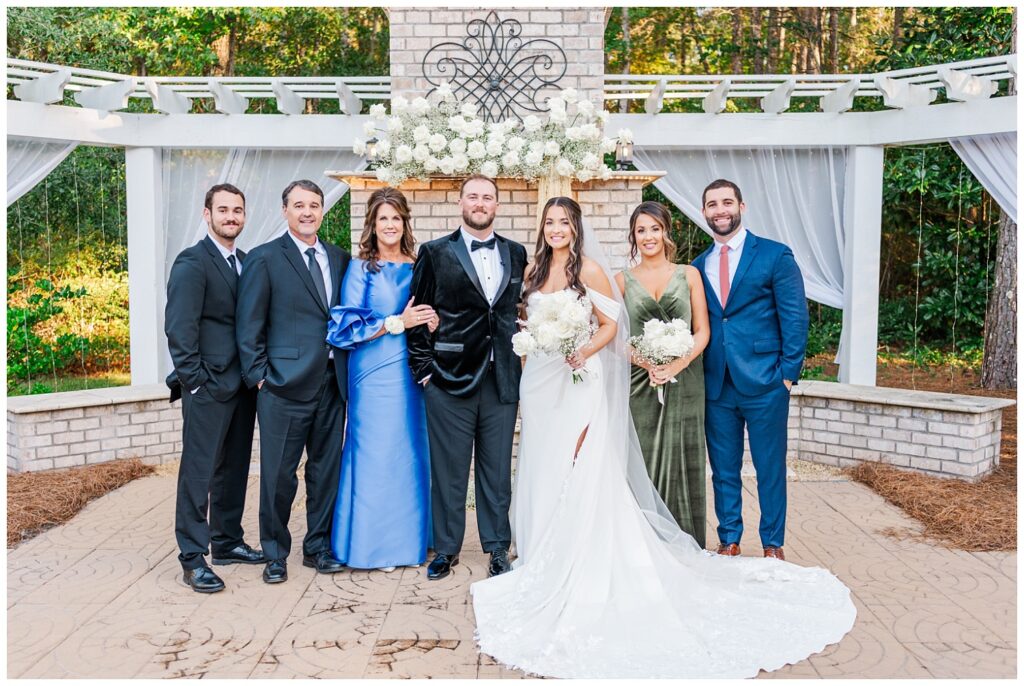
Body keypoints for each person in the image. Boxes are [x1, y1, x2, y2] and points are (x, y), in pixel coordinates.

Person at [470, 196, 855, 679]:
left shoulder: (591, 270)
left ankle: (589, 550)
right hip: (541, 380)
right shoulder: (531, 272)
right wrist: (534, 341)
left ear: (577, 226)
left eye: (564, 222)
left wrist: (582, 349)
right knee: (542, 461)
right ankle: (540, 546)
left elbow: (611, 326)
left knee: (584, 462)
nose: (556, 229)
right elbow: (525, 323)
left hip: (582, 376)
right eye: (549, 222)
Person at [407, 174, 528, 581]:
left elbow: (513, 312)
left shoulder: (516, 252)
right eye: (473, 196)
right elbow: (418, 316)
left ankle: (497, 549)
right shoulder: (434, 252)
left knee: (496, 472)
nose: (480, 203)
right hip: (448, 379)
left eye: (487, 197)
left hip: (502, 380)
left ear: (497, 204)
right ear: (461, 202)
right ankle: (446, 549)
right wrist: (424, 373)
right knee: (449, 470)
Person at [236, 179, 350, 584]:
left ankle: (317, 547)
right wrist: (260, 378)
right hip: (282, 388)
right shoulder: (266, 258)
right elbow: (249, 323)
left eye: (314, 205)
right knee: (278, 476)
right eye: (299, 205)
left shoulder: (339, 258)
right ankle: (275, 552)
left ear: (322, 211)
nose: (307, 212)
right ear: (285, 210)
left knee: (325, 471)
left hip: (332, 386)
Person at [692, 179, 809, 561]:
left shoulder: (775, 256)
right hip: (717, 382)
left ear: (742, 206)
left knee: (768, 467)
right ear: (704, 212)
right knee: (723, 469)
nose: (720, 210)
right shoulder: (697, 266)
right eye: (712, 204)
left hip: (766, 382)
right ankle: (729, 538)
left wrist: (787, 376)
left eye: (727, 202)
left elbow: (795, 318)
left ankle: (773, 544)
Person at [326, 188, 437, 571]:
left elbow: (428, 311)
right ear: (372, 225)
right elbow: (345, 326)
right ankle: (371, 546)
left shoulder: (419, 264)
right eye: (382, 219)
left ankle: (411, 543)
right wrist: (396, 323)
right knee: (374, 452)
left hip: (412, 371)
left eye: (396, 218)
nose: (389, 225)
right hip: (372, 373)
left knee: (408, 450)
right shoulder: (361, 268)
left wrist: (431, 321)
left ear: (405, 222)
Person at [165, 183, 262, 593]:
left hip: (242, 386)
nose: (231, 217)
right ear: (207, 214)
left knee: (234, 467)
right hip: (207, 386)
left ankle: (227, 541)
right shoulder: (192, 262)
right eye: (223, 210)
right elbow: (179, 329)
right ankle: (192, 556)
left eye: (237, 210)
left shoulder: (244, 260)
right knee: (199, 472)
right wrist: (195, 382)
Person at [615, 201, 710, 547]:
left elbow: (702, 331)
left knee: (684, 454)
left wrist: (677, 364)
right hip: (640, 384)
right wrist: (646, 363)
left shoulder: (689, 275)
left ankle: (685, 540)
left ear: (666, 232)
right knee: (641, 457)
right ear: (633, 236)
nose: (648, 236)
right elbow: (615, 337)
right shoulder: (622, 281)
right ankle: (642, 542)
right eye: (641, 230)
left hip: (685, 380)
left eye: (655, 228)